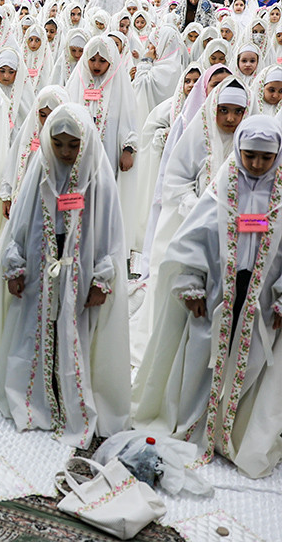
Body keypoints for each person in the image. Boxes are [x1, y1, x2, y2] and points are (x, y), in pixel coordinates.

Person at [133, 116, 282, 478]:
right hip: (217, 290)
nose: (256, 164)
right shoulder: (223, 187)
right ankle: (195, 423)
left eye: (266, 157)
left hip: (260, 296)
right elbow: (191, 238)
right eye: (249, 155)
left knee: (249, 361)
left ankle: (230, 431)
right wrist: (191, 283)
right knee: (205, 357)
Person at [0, 104, 131, 447]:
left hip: (79, 266)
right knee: (37, 325)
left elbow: (110, 233)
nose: (66, 153)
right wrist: (15, 264)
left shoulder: (97, 175)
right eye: (58, 145)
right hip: (41, 261)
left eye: (73, 145)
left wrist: (102, 278)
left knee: (74, 330)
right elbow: (20, 223)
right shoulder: (41, 168)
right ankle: (36, 396)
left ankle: (69, 396)